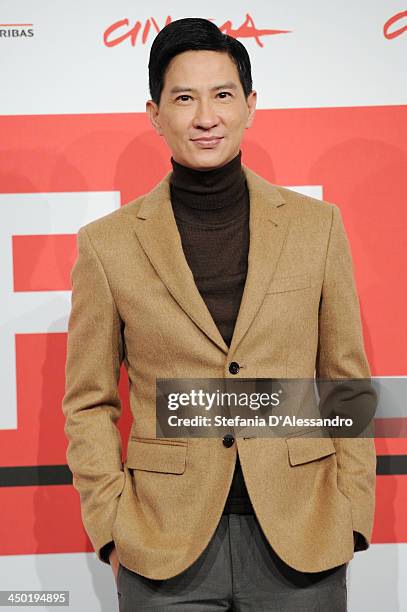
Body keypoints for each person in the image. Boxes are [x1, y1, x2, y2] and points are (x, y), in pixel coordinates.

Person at [62, 17, 377, 611]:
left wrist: (352, 511)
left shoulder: (318, 228)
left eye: (223, 95)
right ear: (155, 113)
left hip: (302, 534)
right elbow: (88, 402)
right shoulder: (107, 245)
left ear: (250, 105)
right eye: (184, 98)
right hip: (163, 545)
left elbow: (345, 381)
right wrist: (112, 528)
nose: (205, 116)